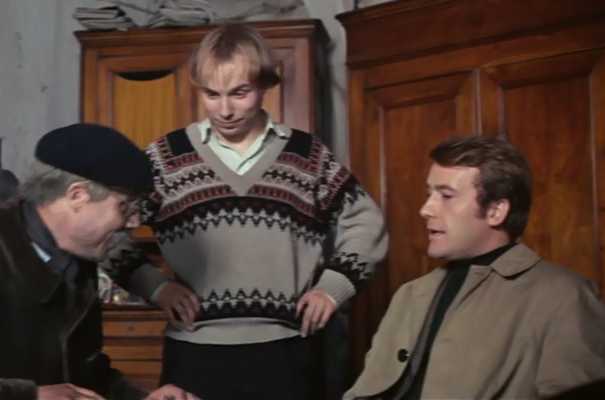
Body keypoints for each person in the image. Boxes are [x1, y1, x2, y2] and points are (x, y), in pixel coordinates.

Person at [101, 23, 389, 400]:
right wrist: (155, 286)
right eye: (211, 94)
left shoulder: (306, 156)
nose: (225, 110)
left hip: (287, 351)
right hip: (194, 352)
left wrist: (332, 288)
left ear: (265, 84)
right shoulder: (165, 158)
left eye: (239, 93)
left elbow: (367, 223)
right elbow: (102, 226)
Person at [0, 123, 197, 400]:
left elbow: (85, 375)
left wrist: (142, 398)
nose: (134, 222)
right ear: (77, 195)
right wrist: (29, 395)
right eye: (125, 206)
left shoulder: (78, 265)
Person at [344, 135, 605, 400]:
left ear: (496, 211)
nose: (426, 209)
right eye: (429, 194)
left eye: (446, 195)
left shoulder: (563, 296)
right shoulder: (410, 295)